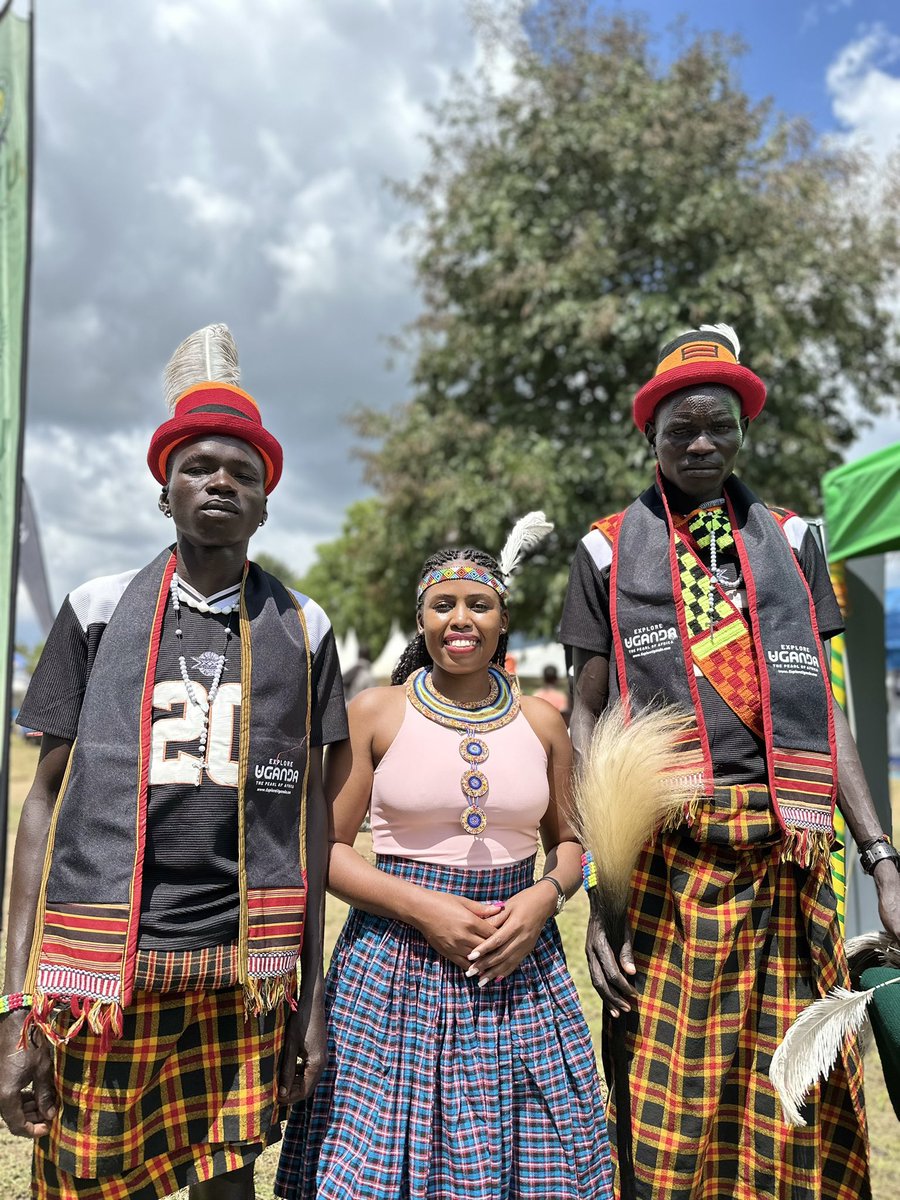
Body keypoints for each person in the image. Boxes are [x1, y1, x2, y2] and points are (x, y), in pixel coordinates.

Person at [0, 324, 348, 1200]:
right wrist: (11, 1009)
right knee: (92, 1178)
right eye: (198, 467)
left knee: (228, 1181)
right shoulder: (95, 610)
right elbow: (42, 804)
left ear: (268, 501)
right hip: (106, 969)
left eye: (244, 472)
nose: (221, 482)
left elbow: (308, 815)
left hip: (243, 964)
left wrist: (308, 1001)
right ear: (165, 492)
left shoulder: (303, 628)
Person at [560, 322, 900, 1199]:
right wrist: (608, 891)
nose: (702, 443)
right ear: (650, 437)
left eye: (720, 426)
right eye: (681, 430)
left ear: (743, 430)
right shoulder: (605, 548)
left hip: (788, 856)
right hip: (668, 865)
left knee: (796, 1104)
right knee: (665, 1107)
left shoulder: (791, 540)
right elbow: (587, 719)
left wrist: (882, 857)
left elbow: (824, 709)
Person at [276, 517, 614, 1200]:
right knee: (382, 1154)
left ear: (503, 618)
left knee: (534, 1151)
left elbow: (572, 846)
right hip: (392, 965)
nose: (461, 619)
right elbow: (326, 852)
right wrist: (423, 908)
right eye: (444, 604)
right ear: (422, 618)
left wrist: (542, 900)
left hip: (518, 961)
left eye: (479, 604)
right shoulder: (374, 712)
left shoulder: (542, 723)